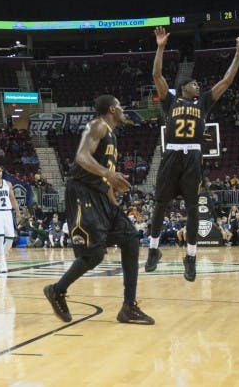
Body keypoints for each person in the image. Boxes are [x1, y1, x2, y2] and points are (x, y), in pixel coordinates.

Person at [42, 95, 154, 325]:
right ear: (112, 109)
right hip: (82, 193)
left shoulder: (112, 134)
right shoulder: (98, 125)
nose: (123, 109)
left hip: (101, 195)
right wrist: (109, 174)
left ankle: (128, 307)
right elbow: (81, 156)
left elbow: (103, 178)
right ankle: (57, 290)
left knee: (131, 238)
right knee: (94, 254)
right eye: (121, 106)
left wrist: (115, 204)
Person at [146, 27, 239, 281]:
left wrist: (238, 55)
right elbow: (156, 74)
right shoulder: (170, 101)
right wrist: (160, 47)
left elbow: (226, 81)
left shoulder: (203, 102)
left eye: (198, 83)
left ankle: (190, 257)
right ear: (183, 88)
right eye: (193, 83)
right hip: (172, 154)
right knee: (160, 204)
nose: (198, 85)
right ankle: (153, 250)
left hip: (193, 157)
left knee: (193, 208)